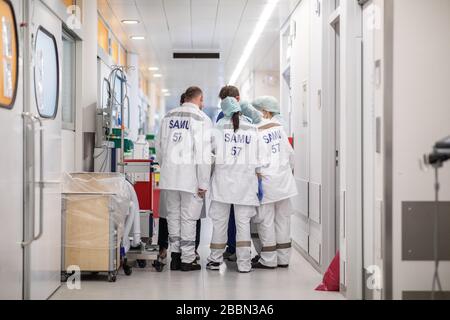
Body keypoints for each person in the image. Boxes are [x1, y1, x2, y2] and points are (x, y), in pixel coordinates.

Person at [155, 86, 212, 272]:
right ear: (199, 99)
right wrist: (204, 183)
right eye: (202, 100)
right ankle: (188, 260)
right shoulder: (201, 118)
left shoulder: (168, 116)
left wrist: (166, 168)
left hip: (170, 176)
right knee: (188, 218)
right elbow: (203, 155)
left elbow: (160, 148)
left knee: (173, 217)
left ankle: (176, 257)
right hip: (190, 178)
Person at [207, 97, 266, 273]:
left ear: (224, 110)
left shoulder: (218, 128)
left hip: (222, 184)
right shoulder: (252, 128)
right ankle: (244, 264)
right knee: (243, 225)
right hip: (246, 184)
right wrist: (259, 182)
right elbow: (260, 158)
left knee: (219, 223)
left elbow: (208, 155)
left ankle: (215, 260)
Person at [251, 96, 298, 269]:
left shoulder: (255, 130)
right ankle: (283, 259)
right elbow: (291, 155)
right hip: (284, 183)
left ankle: (269, 259)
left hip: (267, 183)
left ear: (263, 111)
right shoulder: (279, 128)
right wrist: (286, 172)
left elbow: (253, 161)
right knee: (283, 220)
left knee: (266, 220)